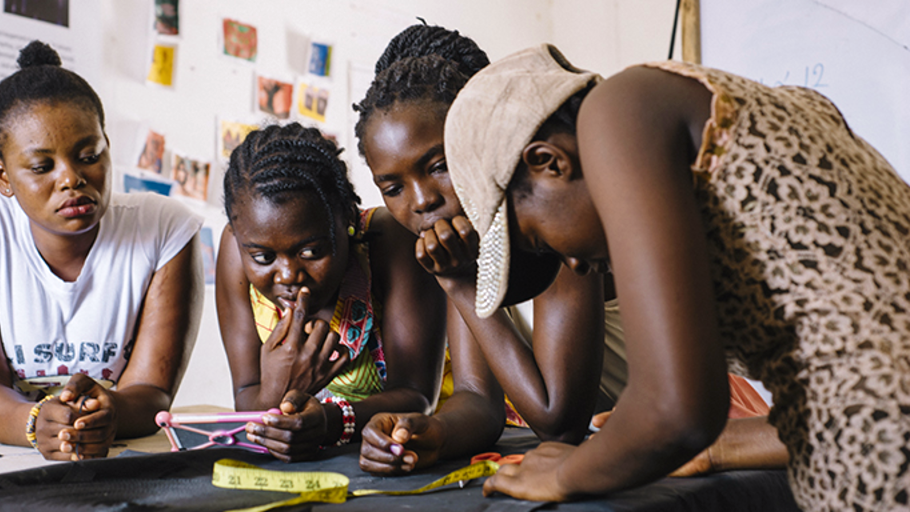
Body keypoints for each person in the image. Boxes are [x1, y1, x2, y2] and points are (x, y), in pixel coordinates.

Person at [442, 44, 910, 510]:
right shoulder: (745, 112)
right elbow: (848, 371)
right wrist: (720, 445)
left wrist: (564, 473)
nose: (576, 266)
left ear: (549, 162)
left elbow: (675, 412)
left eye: (541, 242)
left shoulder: (619, 111)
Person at [354, 23, 769, 476]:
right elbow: (478, 397)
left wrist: (457, 282)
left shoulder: (555, 211)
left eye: (441, 165)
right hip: (653, 433)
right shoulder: (464, 233)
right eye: (393, 186)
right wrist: (434, 433)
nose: (422, 202)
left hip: (714, 419)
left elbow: (559, 420)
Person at [0, 41, 203, 461]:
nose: (72, 179)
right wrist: (37, 423)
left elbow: (152, 390)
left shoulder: (163, 227)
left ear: (107, 145)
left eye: (89, 155)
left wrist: (112, 413)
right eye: (41, 167)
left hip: (100, 442)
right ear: (2, 175)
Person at [216, 122, 447, 462]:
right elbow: (246, 396)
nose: (289, 275)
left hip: (433, 439)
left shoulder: (390, 241)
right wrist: (278, 390)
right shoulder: (236, 251)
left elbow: (416, 395)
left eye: (310, 252)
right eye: (263, 257)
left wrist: (330, 421)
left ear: (348, 218)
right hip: (332, 454)